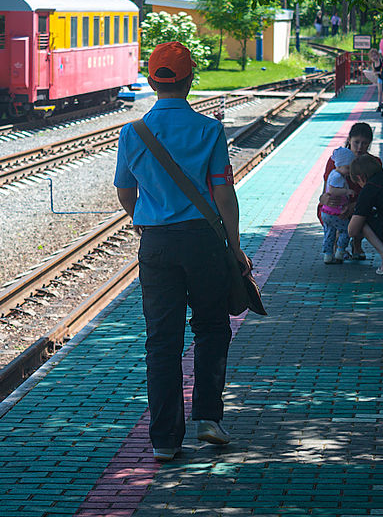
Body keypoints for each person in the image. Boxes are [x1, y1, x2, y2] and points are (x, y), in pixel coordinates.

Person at [114, 41, 250, 462]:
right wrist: (236, 246)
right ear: (190, 79)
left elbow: (124, 189)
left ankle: (164, 440)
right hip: (203, 242)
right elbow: (224, 195)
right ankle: (208, 418)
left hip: (156, 243)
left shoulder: (132, 132)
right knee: (211, 327)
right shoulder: (209, 130)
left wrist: (143, 219)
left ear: (152, 81)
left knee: (162, 340)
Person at [319, 122, 380, 259]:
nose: (359, 148)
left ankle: (356, 244)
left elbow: (376, 195)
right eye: (356, 142)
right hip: (336, 206)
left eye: (364, 143)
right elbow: (325, 191)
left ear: (369, 144)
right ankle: (335, 246)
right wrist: (325, 200)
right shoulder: (336, 160)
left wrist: (354, 206)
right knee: (333, 219)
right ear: (349, 141)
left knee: (365, 215)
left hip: (360, 205)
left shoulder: (374, 163)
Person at [320, 147, 356, 264]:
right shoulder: (337, 176)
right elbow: (332, 190)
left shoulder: (334, 174)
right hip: (334, 213)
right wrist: (347, 192)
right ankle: (340, 252)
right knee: (346, 230)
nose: (349, 171)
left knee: (329, 233)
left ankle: (328, 255)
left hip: (327, 212)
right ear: (339, 166)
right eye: (347, 168)